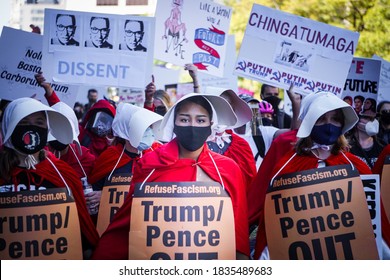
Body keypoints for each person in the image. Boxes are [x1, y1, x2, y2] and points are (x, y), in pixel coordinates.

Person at [92, 93, 249, 260]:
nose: (192, 126)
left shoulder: (227, 169)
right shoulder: (150, 164)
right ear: (173, 124)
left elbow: (237, 231)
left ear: (210, 125)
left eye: (200, 120)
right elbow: (128, 222)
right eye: (184, 119)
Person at [252, 91, 389, 259]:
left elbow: (375, 223)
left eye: (335, 119)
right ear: (309, 123)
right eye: (321, 119)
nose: (329, 125)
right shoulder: (287, 167)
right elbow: (274, 227)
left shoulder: (355, 166)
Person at [0, 98, 99, 258]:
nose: (31, 128)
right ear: (9, 126)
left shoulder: (63, 174)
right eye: (23, 122)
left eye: (39, 123)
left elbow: (83, 232)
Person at [87, 103, 163, 221]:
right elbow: (95, 192)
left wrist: (107, 196)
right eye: (143, 128)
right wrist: (102, 195)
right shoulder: (109, 157)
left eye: (149, 127)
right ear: (127, 132)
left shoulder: (156, 155)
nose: (148, 132)